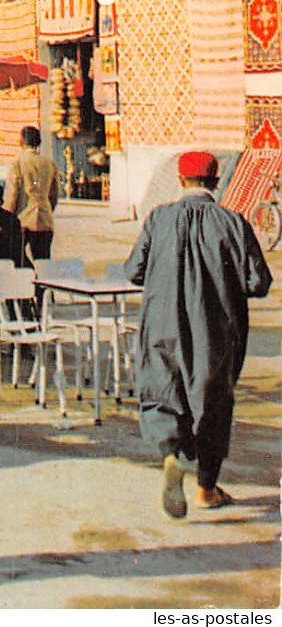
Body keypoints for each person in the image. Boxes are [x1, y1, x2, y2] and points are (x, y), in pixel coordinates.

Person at [126, 150, 272, 519]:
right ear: (216, 181)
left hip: (161, 323)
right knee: (212, 404)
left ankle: (171, 456)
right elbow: (259, 282)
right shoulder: (233, 222)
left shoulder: (159, 218)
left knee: (163, 390)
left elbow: (133, 271)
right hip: (213, 327)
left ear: (180, 180)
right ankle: (206, 488)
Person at [4, 126, 60, 263]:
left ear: (21, 142)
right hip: (44, 218)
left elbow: (12, 195)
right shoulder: (50, 164)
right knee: (43, 263)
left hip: (23, 219)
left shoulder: (17, 163)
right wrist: (47, 209)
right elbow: (53, 195)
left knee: (15, 258)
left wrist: (6, 217)